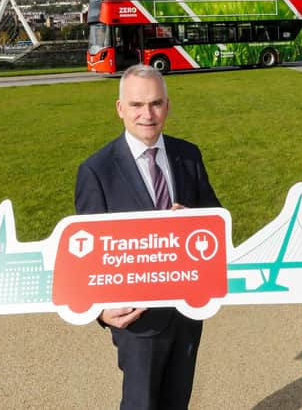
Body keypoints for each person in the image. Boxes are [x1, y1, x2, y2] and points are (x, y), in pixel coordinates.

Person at [75, 64, 221, 410]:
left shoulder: (188, 155)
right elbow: (88, 254)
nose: (147, 114)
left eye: (156, 103)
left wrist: (196, 221)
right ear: (120, 109)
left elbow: (216, 218)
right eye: (137, 105)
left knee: (177, 400)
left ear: (168, 106)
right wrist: (99, 310)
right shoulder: (97, 171)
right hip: (137, 320)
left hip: (186, 311)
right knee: (141, 404)